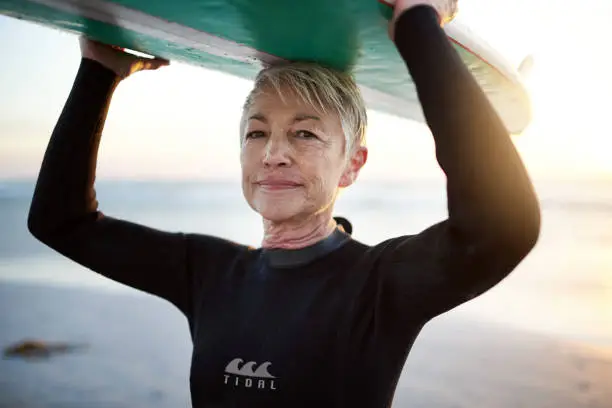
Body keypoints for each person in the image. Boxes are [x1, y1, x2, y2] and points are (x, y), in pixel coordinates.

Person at [27, 0, 541, 406]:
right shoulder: (208, 271)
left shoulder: (379, 286)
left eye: (305, 134)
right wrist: (99, 71)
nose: (273, 154)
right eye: (256, 133)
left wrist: (417, 25)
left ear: (353, 164)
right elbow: (61, 221)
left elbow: (501, 224)